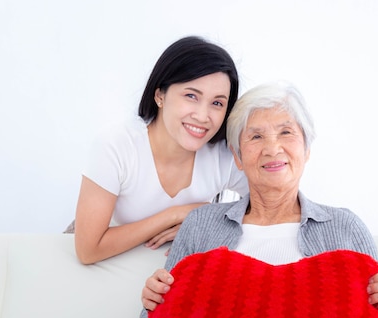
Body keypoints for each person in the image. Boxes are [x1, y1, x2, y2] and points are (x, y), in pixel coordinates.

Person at [139, 81, 378, 318]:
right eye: (255, 137)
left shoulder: (344, 226)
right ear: (237, 156)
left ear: (306, 149)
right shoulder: (201, 226)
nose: (272, 148)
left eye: (286, 133)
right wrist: (155, 302)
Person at [72, 36, 248, 264]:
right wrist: (174, 215)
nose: (203, 116)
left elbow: (273, 208)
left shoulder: (224, 155)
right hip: (108, 260)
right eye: (191, 96)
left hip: (163, 269)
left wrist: (207, 218)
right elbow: (88, 250)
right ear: (160, 95)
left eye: (217, 103)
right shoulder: (116, 145)